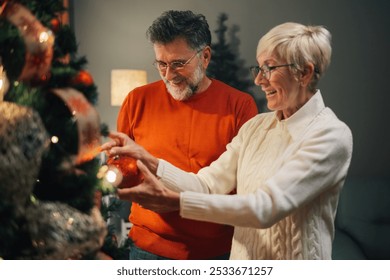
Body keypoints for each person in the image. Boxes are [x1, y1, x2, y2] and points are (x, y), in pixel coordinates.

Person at [103, 22, 353, 260]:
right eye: (259, 68)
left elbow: (265, 207)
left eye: (270, 68)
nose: (259, 80)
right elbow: (207, 185)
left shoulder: (330, 135)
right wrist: (151, 162)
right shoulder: (257, 127)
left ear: (305, 73)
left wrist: (177, 203)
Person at [113, 10, 258, 260]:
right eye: (161, 64)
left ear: (205, 56)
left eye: (179, 63)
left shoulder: (240, 106)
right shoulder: (136, 100)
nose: (169, 75)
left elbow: (247, 189)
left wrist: (177, 201)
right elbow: (119, 167)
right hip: (147, 251)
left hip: (216, 255)